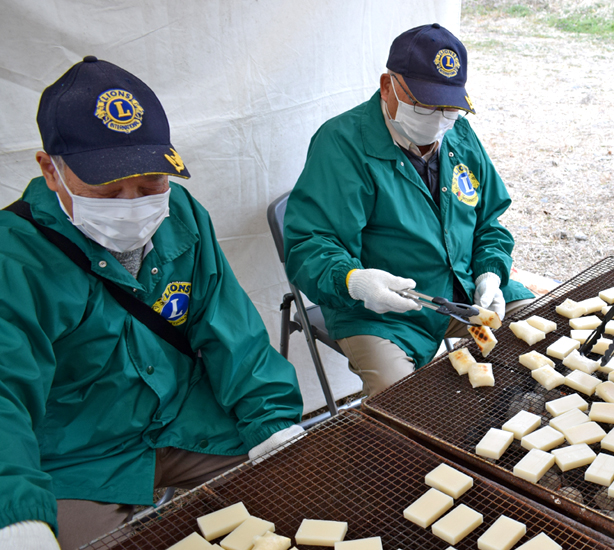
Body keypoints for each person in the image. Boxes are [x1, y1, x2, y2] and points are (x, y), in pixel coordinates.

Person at [0, 57, 304, 550]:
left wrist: (271, 421)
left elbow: (234, 334)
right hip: (81, 458)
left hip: (188, 423)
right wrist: (14, 511)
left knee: (298, 497)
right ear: (50, 171)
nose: (132, 204)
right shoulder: (12, 259)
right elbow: (3, 393)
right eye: (107, 189)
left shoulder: (183, 215)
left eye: (150, 183)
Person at [283, 23, 534, 397]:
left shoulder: (458, 134)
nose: (438, 119)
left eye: (449, 107)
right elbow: (309, 245)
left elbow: (489, 223)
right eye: (423, 104)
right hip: (382, 311)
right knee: (399, 399)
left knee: (538, 326)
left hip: (462, 288)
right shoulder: (341, 144)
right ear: (387, 86)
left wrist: (490, 273)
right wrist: (353, 281)